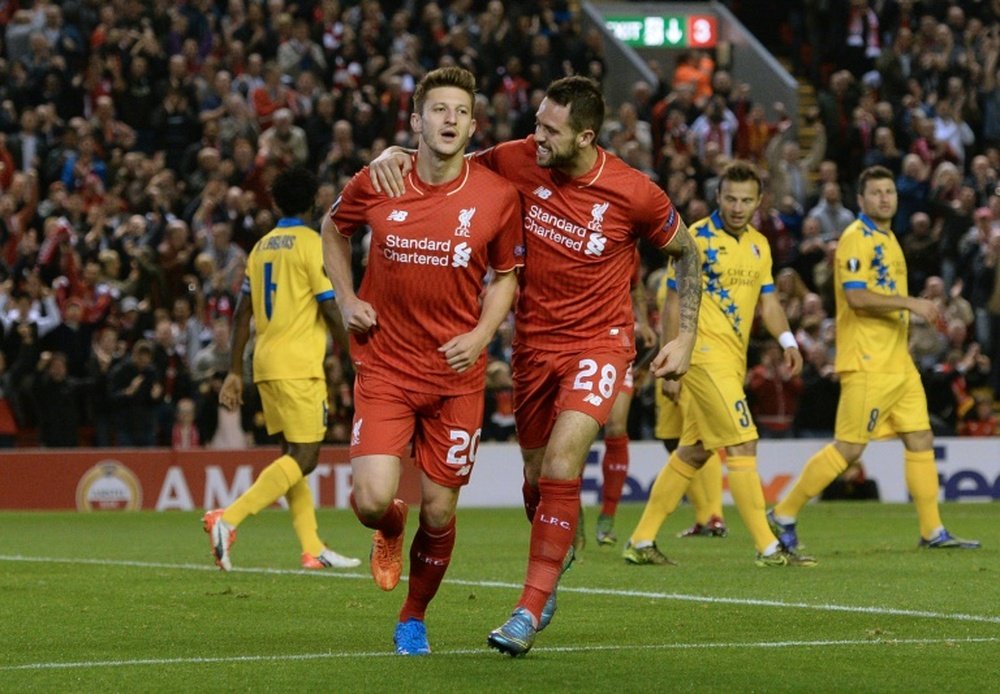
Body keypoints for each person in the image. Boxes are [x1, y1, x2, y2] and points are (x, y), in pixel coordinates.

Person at [369, 75, 702, 657]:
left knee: (562, 458)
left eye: (550, 129)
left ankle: (527, 609)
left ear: (586, 136)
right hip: (533, 346)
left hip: (601, 342)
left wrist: (688, 335)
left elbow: (687, 251)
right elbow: (449, 163)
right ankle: (549, 562)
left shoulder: (633, 192)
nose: (536, 135)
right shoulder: (518, 159)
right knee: (536, 479)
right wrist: (395, 153)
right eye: (537, 122)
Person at [322, 67, 524, 657]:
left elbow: (506, 276)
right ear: (416, 121)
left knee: (440, 510)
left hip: (456, 375)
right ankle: (389, 528)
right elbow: (333, 232)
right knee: (371, 501)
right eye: (438, 109)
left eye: (460, 111)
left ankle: (413, 616)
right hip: (386, 366)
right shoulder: (380, 177)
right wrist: (347, 298)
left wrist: (484, 332)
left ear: (473, 125)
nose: (449, 120)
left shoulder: (495, 195)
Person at [768, 166, 981, 551]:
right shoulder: (856, 238)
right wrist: (911, 302)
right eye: (877, 192)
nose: (885, 198)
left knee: (920, 437)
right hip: (867, 361)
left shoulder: (889, 239)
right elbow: (856, 297)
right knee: (849, 448)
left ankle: (932, 531)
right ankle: (783, 512)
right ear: (862, 200)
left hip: (898, 362)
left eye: (889, 191)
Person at [621, 160, 816, 569]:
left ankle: (640, 541)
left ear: (759, 201)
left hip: (733, 361)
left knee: (693, 452)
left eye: (746, 200)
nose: (738, 207)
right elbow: (674, 300)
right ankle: (768, 547)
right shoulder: (695, 239)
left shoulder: (760, 245)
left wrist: (786, 340)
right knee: (744, 442)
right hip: (703, 356)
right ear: (718, 196)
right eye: (730, 198)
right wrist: (676, 355)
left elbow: (769, 301)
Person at [202, 166, 361, 573]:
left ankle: (312, 548)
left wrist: (235, 371)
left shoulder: (261, 248)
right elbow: (329, 307)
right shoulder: (312, 244)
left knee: (292, 455)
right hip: (298, 365)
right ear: (315, 202)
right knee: (306, 457)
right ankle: (229, 518)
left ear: (275, 203)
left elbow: (241, 313)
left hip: (265, 362)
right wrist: (359, 359)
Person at [653, 266, 728, 540]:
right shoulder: (667, 276)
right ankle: (702, 517)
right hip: (669, 366)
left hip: (693, 365)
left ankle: (715, 516)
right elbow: (667, 321)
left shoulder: (701, 269)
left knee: (700, 441)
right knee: (672, 440)